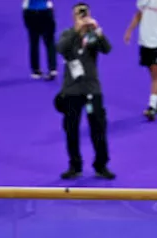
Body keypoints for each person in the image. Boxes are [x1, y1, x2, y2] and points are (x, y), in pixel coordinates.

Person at [57, 2, 115, 181]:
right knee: (71, 129)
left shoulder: (93, 36)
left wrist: (97, 30)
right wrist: (77, 30)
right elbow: (61, 48)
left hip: (92, 89)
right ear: (73, 16)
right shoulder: (68, 34)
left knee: (98, 127)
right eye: (78, 13)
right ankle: (75, 165)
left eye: (84, 13)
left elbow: (107, 49)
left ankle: (101, 165)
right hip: (72, 91)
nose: (82, 16)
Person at [23, 0, 58, 80]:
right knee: (50, 41)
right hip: (46, 11)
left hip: (30, 11)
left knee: (34, 41)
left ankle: (36, 70)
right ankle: (52, 69)